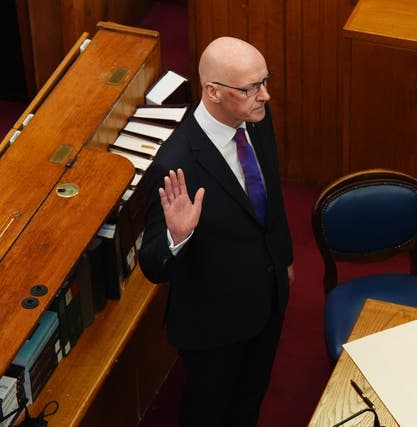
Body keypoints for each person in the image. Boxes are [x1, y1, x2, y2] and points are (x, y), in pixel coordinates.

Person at [138, 36, 294, 427]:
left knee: (248, 402)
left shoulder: (255, 119)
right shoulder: (175, 164)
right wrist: (177, 236)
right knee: (208, 413)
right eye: (252, 88)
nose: (266, 95)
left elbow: (270, 197)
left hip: (268, 300)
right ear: (213, 92)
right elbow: (153, 264)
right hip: (215, 326)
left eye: (265, 80)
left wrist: (284, 259)